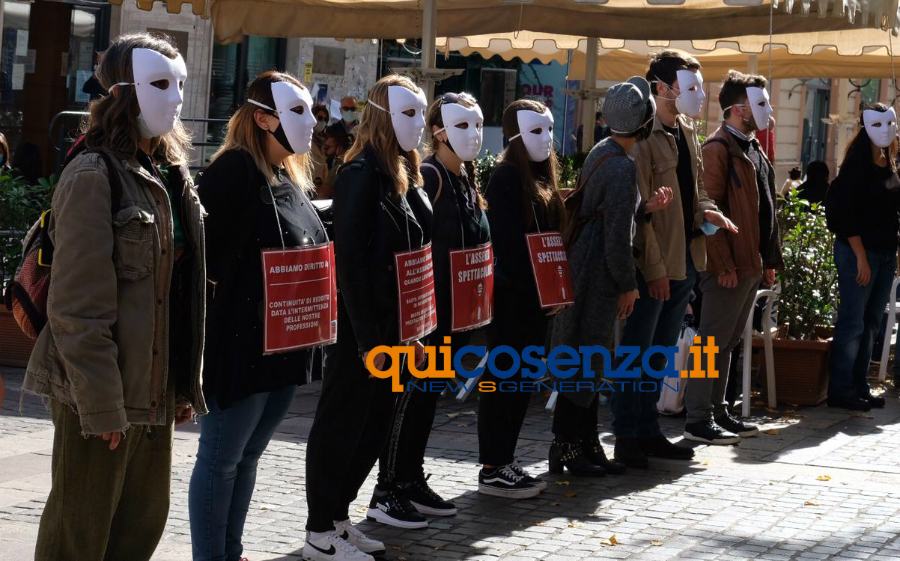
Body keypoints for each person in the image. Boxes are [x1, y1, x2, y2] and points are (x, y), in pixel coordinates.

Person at [22, 33, 206, 561]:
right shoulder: (92, 174)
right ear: (121, 92)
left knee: (138, 531)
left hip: (153, 390)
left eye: (181, 85)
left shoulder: (172, 175)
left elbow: (181, 290)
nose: (176, 99)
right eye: (160, 84)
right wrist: (101, 407)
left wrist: (182, 385)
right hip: (99, 392)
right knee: (79, 537)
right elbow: (78, 308)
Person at [189, 71, 327, 561]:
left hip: (281, 347)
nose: (312, 122)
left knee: (247, 458)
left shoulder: (287, 177)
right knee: (222, 459)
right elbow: (203, 264)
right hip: (238, 348)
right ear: (263, 119)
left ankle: (231, 551)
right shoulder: (231, 173)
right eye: (298, 112)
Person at [303, 74, 431, 561]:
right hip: (363, 331)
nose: (419, 123)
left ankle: (338, 516)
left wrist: (411, 331)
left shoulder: (404, 172)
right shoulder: (360, 175)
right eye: (409, 113)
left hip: (397, 330)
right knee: (341, 423)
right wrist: (368, 339)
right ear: (384, 117)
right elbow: (351, 264)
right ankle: (320, 529)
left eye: (421, 113)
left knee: (374, 427)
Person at [368, 92, 490, 527]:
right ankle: (388, 489)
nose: (473, 134)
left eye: (477, 125)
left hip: (457, 316)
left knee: (427, 401)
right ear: (437, 132)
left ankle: (411, 477)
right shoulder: (433, 176)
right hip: (427, 316)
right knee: (410, 398)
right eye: (461, 126)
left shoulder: (467, 179)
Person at [612, 52, 735, 468]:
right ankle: (628, 437)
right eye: (692, 86)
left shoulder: (686, 133)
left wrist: (708, 212)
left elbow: (694, 191)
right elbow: (639, 211)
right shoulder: (642, 137)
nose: (700, 95)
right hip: (655, 266)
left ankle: (648, 432)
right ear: (662, 88)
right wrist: (654, 270)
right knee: (638, 352)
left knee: (659, 354)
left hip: (687, 259)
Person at [551, 76, 671, 476]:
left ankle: (577, 446)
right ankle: (571, 448)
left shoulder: (603, 151)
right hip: (598, 270)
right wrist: (628, 285)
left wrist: (644, 207)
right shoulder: (621, 166)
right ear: (644, 124)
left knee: (582, 356)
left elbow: (609, 215)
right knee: (590, 356)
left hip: (583, 261)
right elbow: (617, 236)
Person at [683, 70, 783, 445]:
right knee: (711, 342)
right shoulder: (718, 148)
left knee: (725, 343)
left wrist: (767, 260)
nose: (769, 110)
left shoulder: (751, 147)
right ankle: (698, 417)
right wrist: (722, 263)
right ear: (740, 109)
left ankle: (717, 410)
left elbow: (764, 210)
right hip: (727, 266)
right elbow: (708, 208)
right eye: (762, 103)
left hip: (748, 263)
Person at [476, 99, 563, 499]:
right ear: (515, 136)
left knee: (522, 381)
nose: (545, 139)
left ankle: (505, 458)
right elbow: (508, 246)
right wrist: (535, 285)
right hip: (513, 301)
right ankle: (493, 464)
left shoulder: (543, 179)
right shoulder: (506, 178)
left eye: (548, 129)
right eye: (535, 131)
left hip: (536, 303)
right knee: (503, 381)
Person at [824, 103, 900, 411]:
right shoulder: (855, 165)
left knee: (871, 323)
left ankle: (859, 385)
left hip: (883, 253)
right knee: (853, 322)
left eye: (891, 124)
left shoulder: (888, 162)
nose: (888, 130)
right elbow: (845, 214)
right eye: (880, 125)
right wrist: (860, 257)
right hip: (859, 252)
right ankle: (840, 389)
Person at [316, 123, 352, 199]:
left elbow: (322, 196)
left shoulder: (339, 167)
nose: (325, 141)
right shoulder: (337, 162)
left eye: (328, 137)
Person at [311, 103, 331, 190]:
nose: (322, 121)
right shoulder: (305, 138)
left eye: (325, 119)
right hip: (307, 185)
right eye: (319, 118)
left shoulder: (324, 141)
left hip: (319, 186)